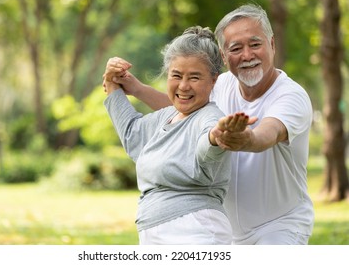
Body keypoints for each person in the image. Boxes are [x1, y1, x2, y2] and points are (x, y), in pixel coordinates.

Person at [109, 4, 314, 245]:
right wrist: (137, 89)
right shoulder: (221, 84)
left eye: (255, 44)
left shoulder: (290, 95)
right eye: (236, 48)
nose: (247, 55)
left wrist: (245, 138)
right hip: (227, 227)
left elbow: (268, 133)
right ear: (224, 56)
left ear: (272, 44)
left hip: (279, 226)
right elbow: (185, 105)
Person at [103, 26, 252, 245]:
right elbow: (131, 134)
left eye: (194, 77)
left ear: (213, 81)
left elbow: (206, 148)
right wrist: (112, 82)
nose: (183, 85)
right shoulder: (167, 117)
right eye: (176, 75)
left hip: (195, 231)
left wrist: (215, 138)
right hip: (157, 233)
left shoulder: (209, 118)